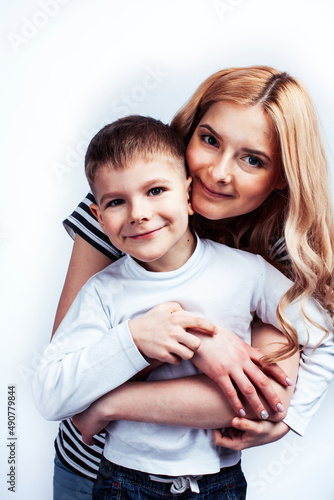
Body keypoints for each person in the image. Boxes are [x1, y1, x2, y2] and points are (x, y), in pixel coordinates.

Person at [47, 66, 334, 499]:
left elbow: (255, 392)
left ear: (282, 177)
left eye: (252, 159)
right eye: (210, 140)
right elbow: (71, 370)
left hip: (206, 480)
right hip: (91, 468)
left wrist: (111, 404)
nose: (218, 172)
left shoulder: (275, 254)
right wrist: (200, 343)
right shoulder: (126, 198)